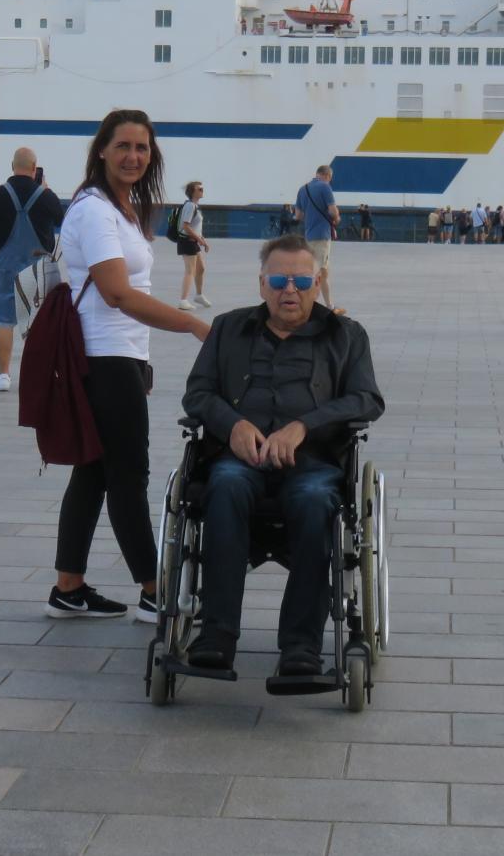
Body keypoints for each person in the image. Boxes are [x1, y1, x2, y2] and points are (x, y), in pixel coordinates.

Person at [180, 235, 385, 677]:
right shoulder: (228, 329)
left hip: (313, 464)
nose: (289, 290)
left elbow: (367, 399)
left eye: (301, 281)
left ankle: (300, 646)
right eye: (278, 280)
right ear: (262, 284)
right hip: (241, 460)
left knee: (314, 502)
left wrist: (304, 425)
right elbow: (197, 394)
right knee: (224, 486)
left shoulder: (346, 336)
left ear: (318, 282)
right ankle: (216, 635)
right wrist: (232, 425)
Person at [47, 108, 209, 622]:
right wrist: (193, 325)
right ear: (101, 150)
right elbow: (117, 293)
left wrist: (144, 360)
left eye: (142, 148)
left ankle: (68, 588)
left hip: (120, 356)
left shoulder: (122, 207)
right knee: (127, 476)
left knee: (94, 472)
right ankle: (153, 591)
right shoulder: (95, 211)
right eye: (123, 146)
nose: (133, 156)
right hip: (105, 358)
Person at [0, 146, 63, 392]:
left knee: (4, 322)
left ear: (12, 167)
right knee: (40, 324)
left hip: (4, 269)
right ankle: (39, 375)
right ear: (35, 169)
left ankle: (4, 376)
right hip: (39, 270)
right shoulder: (46, 197)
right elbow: (64, 222)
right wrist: (47, 190)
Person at [295, 165, 339, 310]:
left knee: (321, 271)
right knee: (318, 272)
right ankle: (307, 305)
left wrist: (311, 218)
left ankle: (329, 305)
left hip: (309, 235)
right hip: (322, 235)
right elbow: (333, 211)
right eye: (330, 178)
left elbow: (298, 215)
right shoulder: (325, 187)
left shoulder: (303, 189)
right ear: (327, 176)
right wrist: (337, 218)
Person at [175, 180, 212, 310]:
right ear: (192, 192)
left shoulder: (195, 206)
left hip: (193, 241)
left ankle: (199, 295)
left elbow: (196, 228)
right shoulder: (190, 206)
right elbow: (186, 226)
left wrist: (203, 241)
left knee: (201, 269)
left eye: (202, 189)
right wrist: (199, 240)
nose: (202, 191)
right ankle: (183, 300)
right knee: (190, 271)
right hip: (187, 241)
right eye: (199, 189)